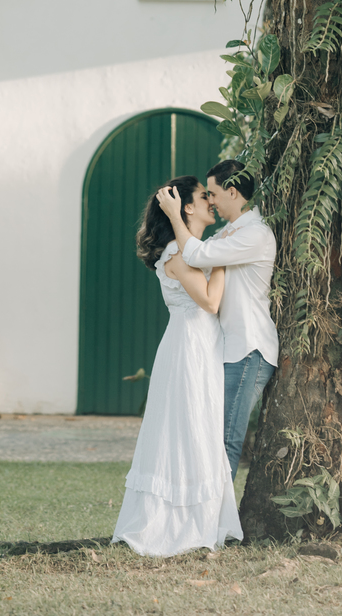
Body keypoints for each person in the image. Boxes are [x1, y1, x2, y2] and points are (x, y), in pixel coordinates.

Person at [112, 177, 243, 556]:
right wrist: (223, 259)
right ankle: (176, 522)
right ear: (187, 208)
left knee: (200, 425)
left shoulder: (195, 249)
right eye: (205, 196)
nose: (211, 202)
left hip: (204, 345)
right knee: (188, 426)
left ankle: (203, 515)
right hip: (188, 347)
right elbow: (209, 302)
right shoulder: (176, 252)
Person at [157, 159, 278, 477]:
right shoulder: (228, 233)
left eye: (212, 193)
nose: (209, 200)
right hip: (230, 348)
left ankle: (217, 523)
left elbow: (196, 255)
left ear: (232, 192)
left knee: (226, 440)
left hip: (249, 348)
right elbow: (193, 256)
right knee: (213, 439)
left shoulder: (254, 234)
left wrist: (174, 214)